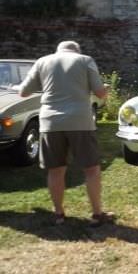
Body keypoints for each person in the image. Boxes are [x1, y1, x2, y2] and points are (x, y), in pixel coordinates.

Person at [16, 40, 114, 227]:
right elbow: (100, 93)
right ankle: (96, 214)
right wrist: (106, 90)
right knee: (91, 169)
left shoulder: (42, 61)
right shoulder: (85, 60)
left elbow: (23, 92)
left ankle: (59, 214)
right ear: (77, 50)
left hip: (50, 122)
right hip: (80, 121)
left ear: (58, 50)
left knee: (56, 170)